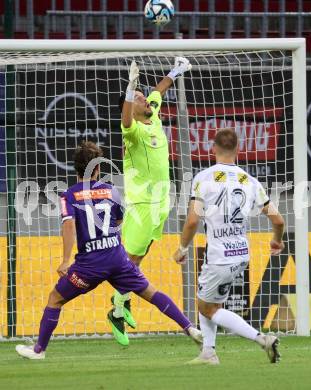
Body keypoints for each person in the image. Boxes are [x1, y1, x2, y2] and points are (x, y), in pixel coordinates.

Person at [15, 141, 202, 360]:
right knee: (152, 293)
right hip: (117, 259)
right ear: (97, 169)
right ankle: (190, 328)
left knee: (55, 298)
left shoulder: (69, 195)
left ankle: (39, 350)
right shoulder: (112, 190)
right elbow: (119, 219)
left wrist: (66, 260)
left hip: (89, 266)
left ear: (75, 167)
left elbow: (68, 225)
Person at [173, 129, 285, 365]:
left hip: (219, 255)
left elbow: (193, 221)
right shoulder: (250, 181)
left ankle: (262, 339)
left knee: (206, 307)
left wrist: (182, 248)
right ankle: (208, 352)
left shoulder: (203, 178)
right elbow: (279, 220)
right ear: (238, 150)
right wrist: (277, 240)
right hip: (241, 254)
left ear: (213, 148)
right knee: (212, 301)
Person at [109, 57, 192, 343]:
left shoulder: (153, 115)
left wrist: (176, 70)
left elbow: (161, 90)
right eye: (139, 98)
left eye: (144, 98)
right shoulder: (132, 132)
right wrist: (130, 85)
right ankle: (117, 309)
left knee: (139, 258)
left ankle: (124, 299)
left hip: (161, 203)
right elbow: (125, 119)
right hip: (142, 205)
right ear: (131, 105)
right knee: (128, 262)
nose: (146, 100)